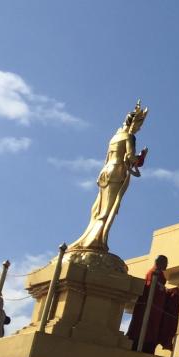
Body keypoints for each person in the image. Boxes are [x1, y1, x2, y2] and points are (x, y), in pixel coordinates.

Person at [70, 101, 148, 253]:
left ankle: (91, 239)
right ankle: (95, 241)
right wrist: (141, 157)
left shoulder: (115, 137)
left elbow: (107, 158)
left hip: (105, 171)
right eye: (139, 125)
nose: (139, 128)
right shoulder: (129, 137)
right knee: (107, 209)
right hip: (116, 172)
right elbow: (131, 157)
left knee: (98, 208)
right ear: (134, 124)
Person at [126, 255, 179, 353]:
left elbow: (160, 294)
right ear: (159, 262)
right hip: (149, 314)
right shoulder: (152, 274)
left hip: (156, 315)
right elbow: (150, 292)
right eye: (165, 263)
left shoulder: (160, 278)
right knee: (145, 334)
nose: (167, 265)